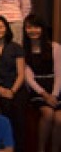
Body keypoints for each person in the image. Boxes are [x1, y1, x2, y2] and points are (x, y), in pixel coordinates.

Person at [0, 16, 27, 151]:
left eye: (0, 27)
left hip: (16, 87)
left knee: (18, 113)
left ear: (6, 28)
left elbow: (21, 73)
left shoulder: (16, 47)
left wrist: (12, 90)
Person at [22, 14, 61, 152]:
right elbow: (28, 78)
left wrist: (54, 95)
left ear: (43, 29)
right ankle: (40, 149)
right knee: (48, 114)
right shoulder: (23, 50)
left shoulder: (55, 47)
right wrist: (45, 95)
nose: (33, 30)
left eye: (36, 27)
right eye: (29, 27)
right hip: (37, 89)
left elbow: (59, 74)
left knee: (59, 119)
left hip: (56, 88)